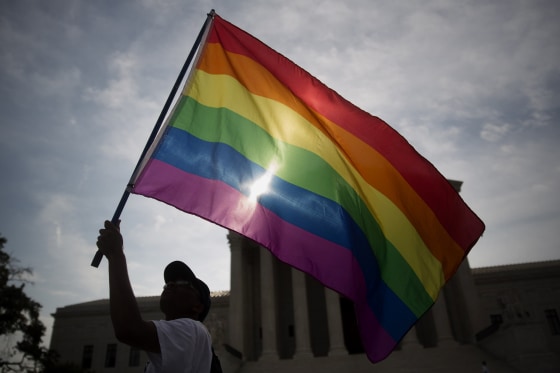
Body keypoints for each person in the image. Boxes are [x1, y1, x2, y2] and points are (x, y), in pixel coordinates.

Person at [96, 220, 222, 372]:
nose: (171, 284)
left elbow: (129, 329)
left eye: (183, 283)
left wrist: (115, 254)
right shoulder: (159, 357)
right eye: (169, 282)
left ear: (198, 306)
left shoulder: (193, 330)